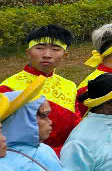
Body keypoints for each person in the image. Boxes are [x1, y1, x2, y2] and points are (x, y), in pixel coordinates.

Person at [2, 25, 81, 155]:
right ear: (28, 52)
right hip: (28, 157)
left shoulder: (70, 86)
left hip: (67, 154)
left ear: (65, 54)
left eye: (56, 49)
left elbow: (76, 123)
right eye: (39, 48)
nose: (47, 55)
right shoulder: (9, 88)